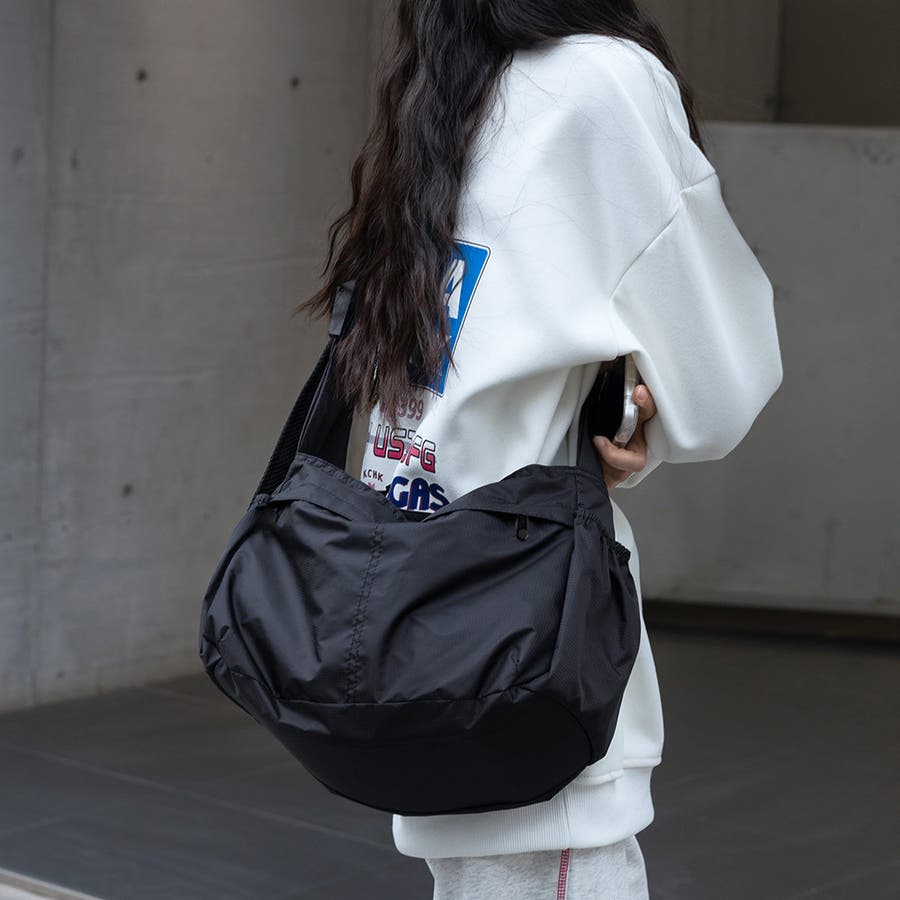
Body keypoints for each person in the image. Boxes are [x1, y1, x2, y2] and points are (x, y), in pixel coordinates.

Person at [294, 2, 784, 897]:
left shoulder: (444, 84)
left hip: (414, 626)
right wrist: (644, 424)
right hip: (529, 658)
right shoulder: (603, 80)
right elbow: (722, 385)